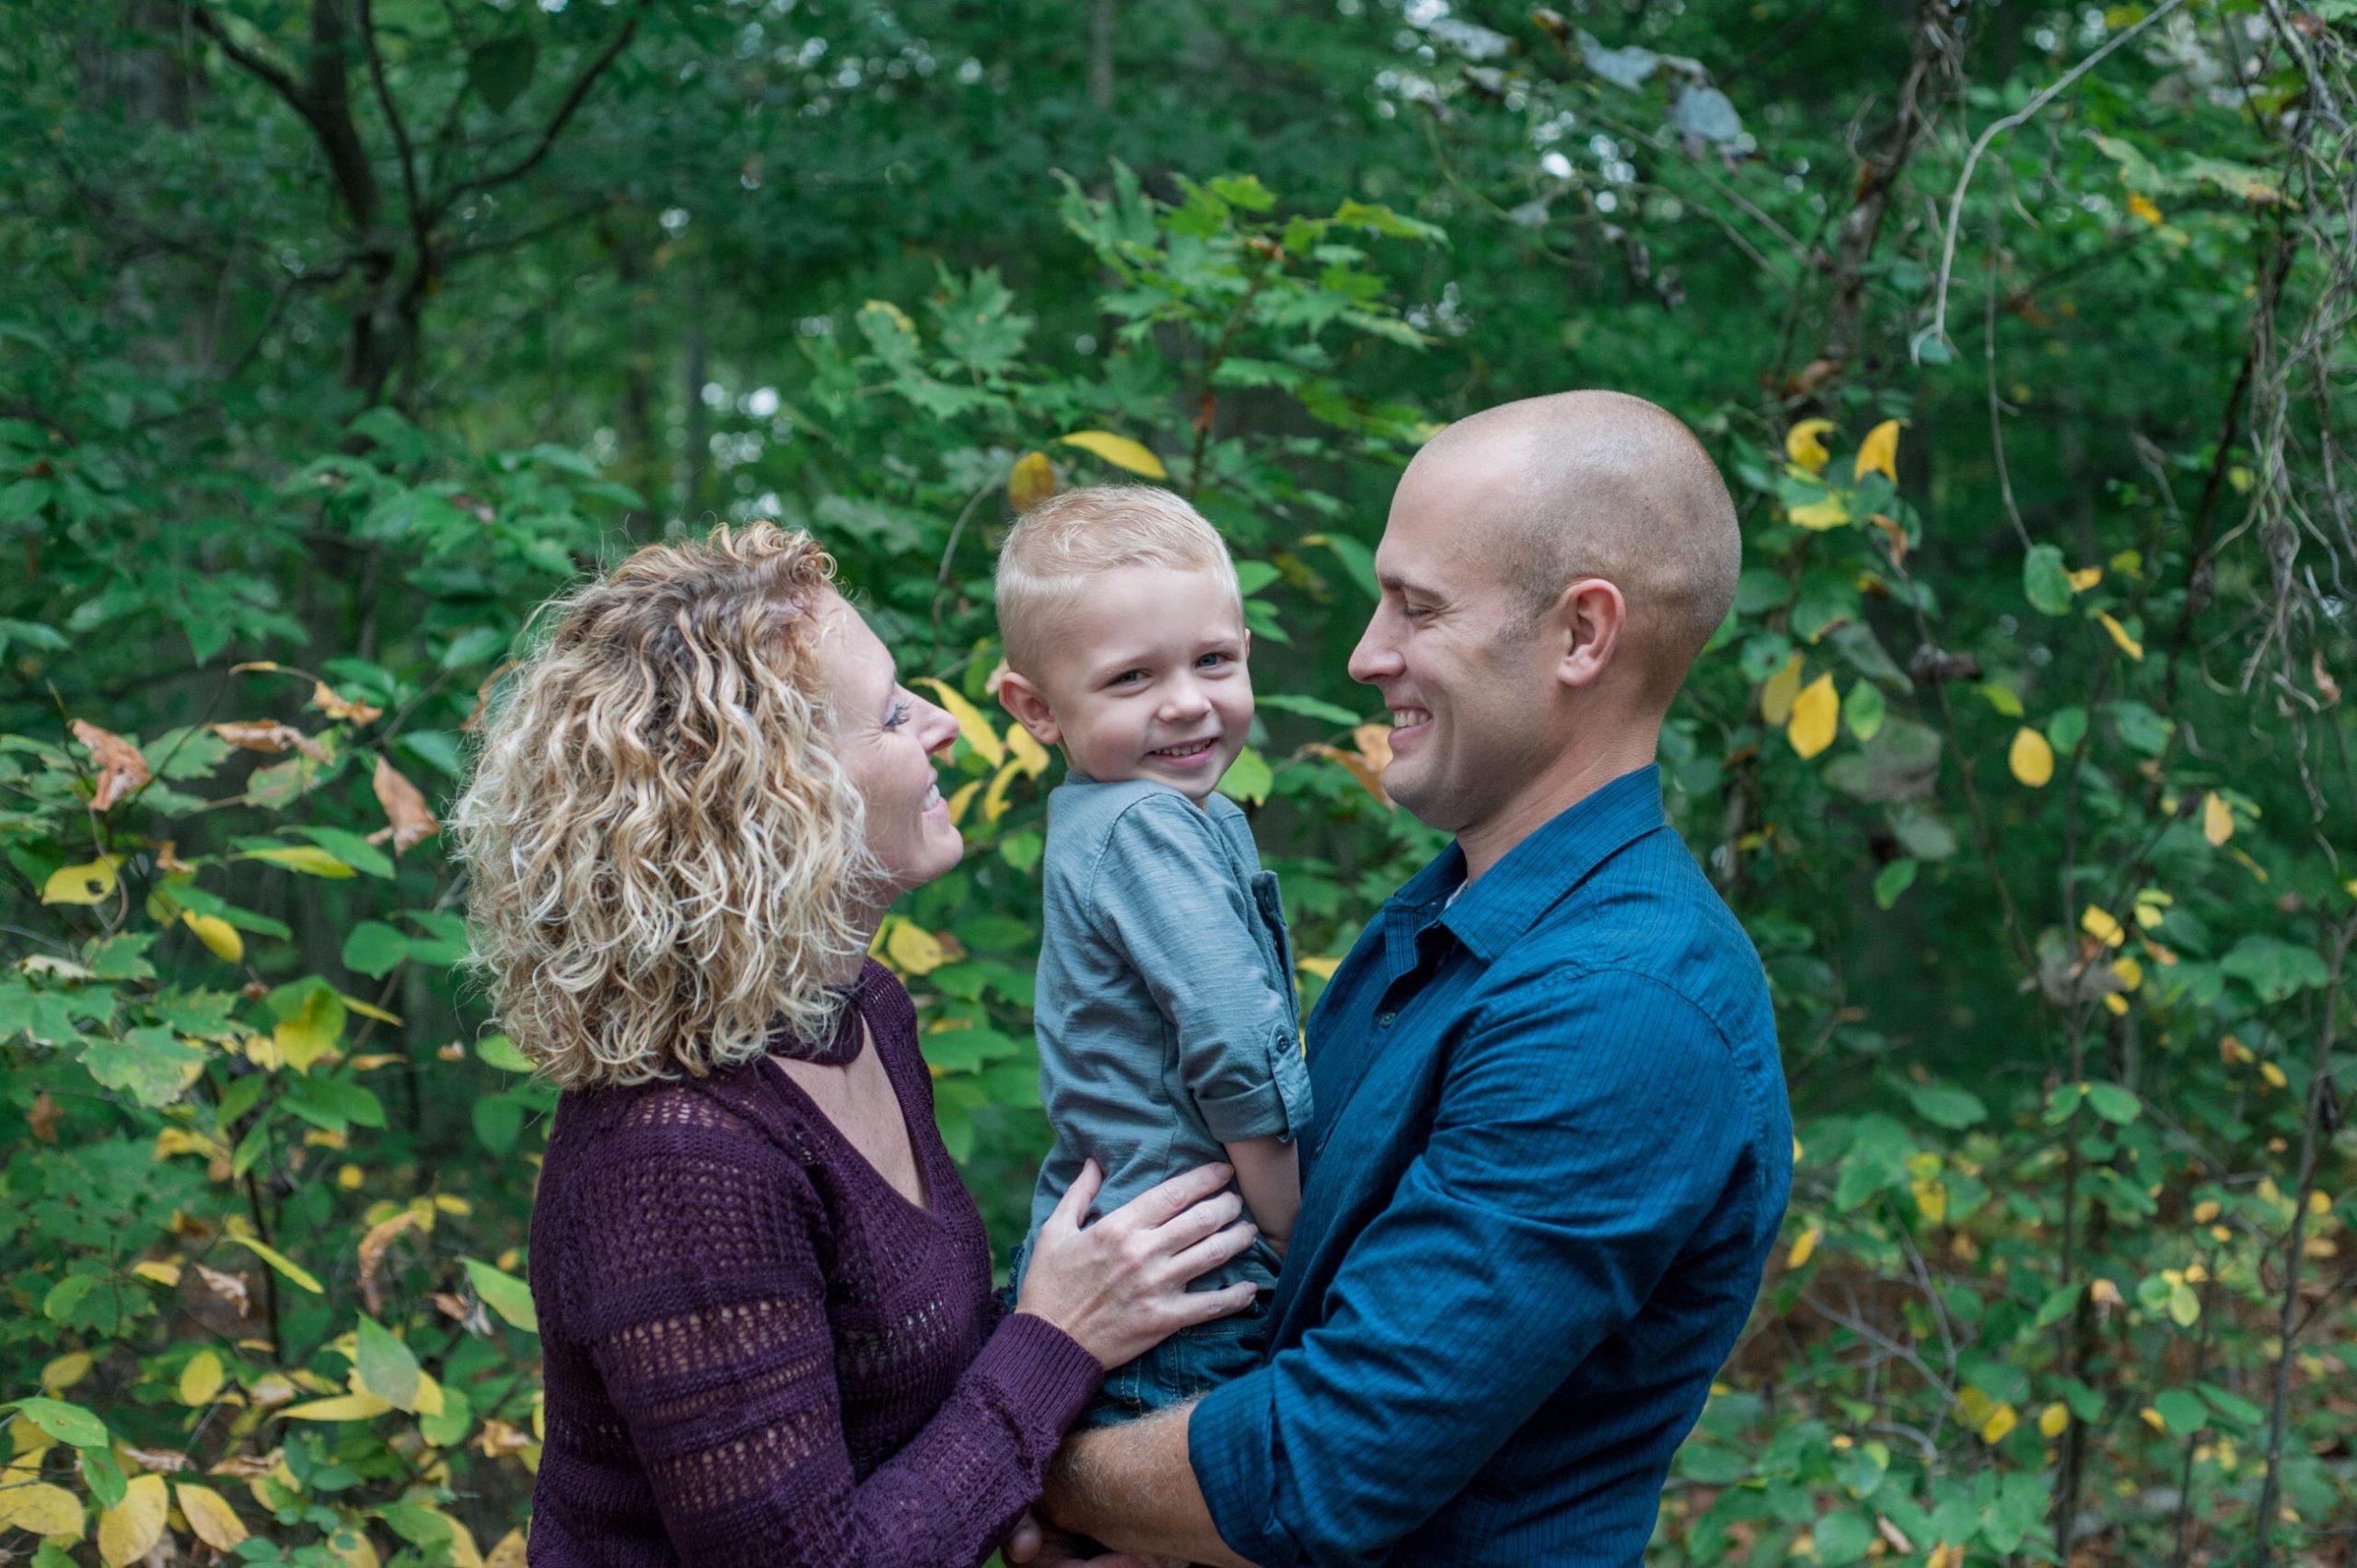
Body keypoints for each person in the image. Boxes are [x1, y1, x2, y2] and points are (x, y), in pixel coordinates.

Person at [1018, 390, 1795, 1566]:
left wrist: (1030, 1453)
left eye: (1417, 608)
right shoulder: (1446, 925)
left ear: (1582, 636)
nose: (1363, 653)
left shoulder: (1621, 1005)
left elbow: (1319, 1465)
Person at [450, 523, 1260, 1568]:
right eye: (890, 713)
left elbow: (899, 1414)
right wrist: (1055, 1337)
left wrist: (1029, 1520)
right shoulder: (677, 1158)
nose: (943, 730)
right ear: (767, 794)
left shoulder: (861, 1014)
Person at [992, 485, 1311, 1431]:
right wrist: (1293, 1228)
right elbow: (1234, 1043)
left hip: (1148, 1264)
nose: (1185, 702)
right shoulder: (1143, 826)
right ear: (1036, 707)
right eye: (1131, 678)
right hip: (1187, 1277)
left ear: (1244, 649)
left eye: (1212, 660)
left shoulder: (1156, 815)